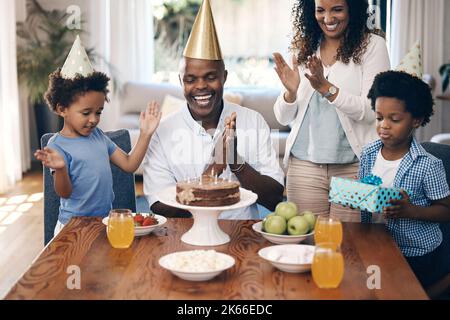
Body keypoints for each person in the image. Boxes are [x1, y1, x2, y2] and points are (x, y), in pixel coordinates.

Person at [143, 0, 284, 219]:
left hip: (241, 235)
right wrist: (211, 173)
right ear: (181, 81)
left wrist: (236, 162)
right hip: (185, 236)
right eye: (191, 79)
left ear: (224, 77)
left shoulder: (253, 121)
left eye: (210, 77)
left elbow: (274, 198)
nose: (200, 86)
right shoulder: (163, 132)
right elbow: (159, 204)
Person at [272, 0, 390, 222]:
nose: (327, 19)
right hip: (304, 167)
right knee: (307, 244)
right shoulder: (304, 47)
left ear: (352, 9)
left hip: (354, 168)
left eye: (337, 9)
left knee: (350, 244)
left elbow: (372, 110)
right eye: (320, 10)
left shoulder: (373, 46)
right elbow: (283, 117)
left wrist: (327, 89)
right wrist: (290, 93)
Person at [34, 36, 161, 236]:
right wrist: (61, 169)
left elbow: (129, 165)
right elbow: (64, 192)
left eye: (99, 112)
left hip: (104, 223)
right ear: (62, 109)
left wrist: (145, 134)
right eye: (86, 113)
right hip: (72, 229)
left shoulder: (98, 137)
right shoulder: (57, 145)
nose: (94, 119)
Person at [360, 70, 450, 294]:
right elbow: (366, 196)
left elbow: (446, 210)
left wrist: (411, 211)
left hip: (416, 253)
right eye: (379, 117)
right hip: (377, 244)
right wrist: (356, 196)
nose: (384, 125)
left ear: (416, 120)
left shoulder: (428, 164)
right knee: (373, 291)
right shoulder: (368, 154)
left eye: (395, 119)